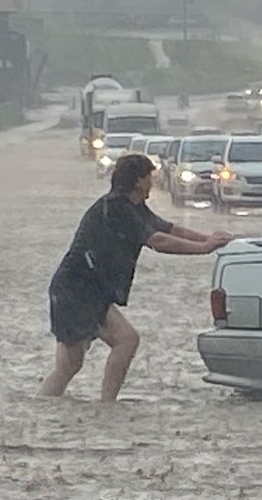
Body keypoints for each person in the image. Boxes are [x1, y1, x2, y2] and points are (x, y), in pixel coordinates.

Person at [39, 153, 233, 402]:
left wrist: (208, 239)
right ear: (139, 181)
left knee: (69, 366)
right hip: (77, 289)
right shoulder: (117, 208)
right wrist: (204, 248)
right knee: (126, 340)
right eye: (149, 177)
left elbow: (170, 229)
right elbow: (158, 241)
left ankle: (43, 408)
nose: (153, 182)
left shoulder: (134, 207)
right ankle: (107, 406)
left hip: (80, 289)